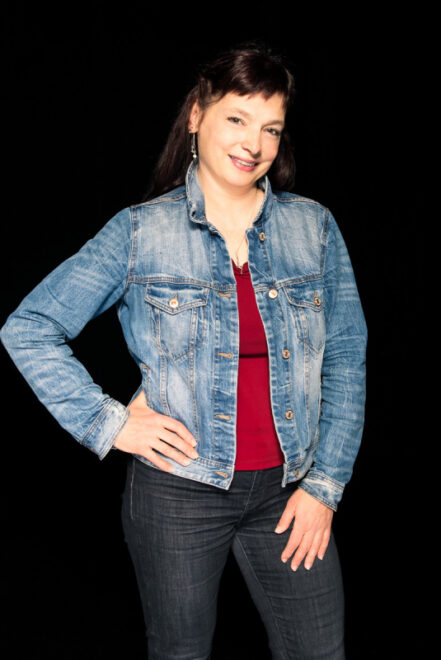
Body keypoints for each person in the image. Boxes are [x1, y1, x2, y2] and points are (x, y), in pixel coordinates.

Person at [1, 44, 367, 659]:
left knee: (318, 651)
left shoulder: (315, 228)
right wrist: (110, 423)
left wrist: (324, 486)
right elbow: (30, 326)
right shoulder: (140, 231)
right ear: (197, 115)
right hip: (178, 493)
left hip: (290, 490)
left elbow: (347, 359)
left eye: (271, 128)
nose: (253, 143)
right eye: (236, 118)